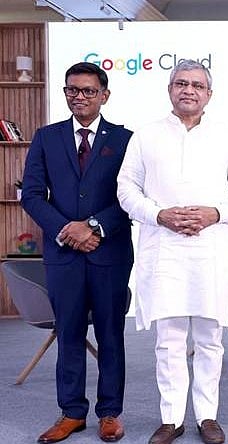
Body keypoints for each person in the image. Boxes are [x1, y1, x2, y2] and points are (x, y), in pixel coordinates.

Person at [116, 60, 228, 444]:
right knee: (169, 339)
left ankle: (207, 416)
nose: (188, 90)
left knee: (210, 338)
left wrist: (215, 213)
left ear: (209, 94)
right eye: (180, 83)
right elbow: (126, 190)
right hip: (164, 250)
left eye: (196, 84)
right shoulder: (146, 136)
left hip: (212, 249)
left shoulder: (227, 136)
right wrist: (159, 214)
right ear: (169, 90)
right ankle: (171, 417)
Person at [21, 61, 133, 444]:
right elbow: (32, 195)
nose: (79, 97)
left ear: (104, 95)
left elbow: (131, 197)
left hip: (110, 252)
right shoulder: (45, 137)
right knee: (67, 332)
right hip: (64, 253)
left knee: (110, 334)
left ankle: (110, 414)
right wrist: (68, 231)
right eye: (72, 90)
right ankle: (71, 413)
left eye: (88, 91)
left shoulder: (125, 140)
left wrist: (95, 226)